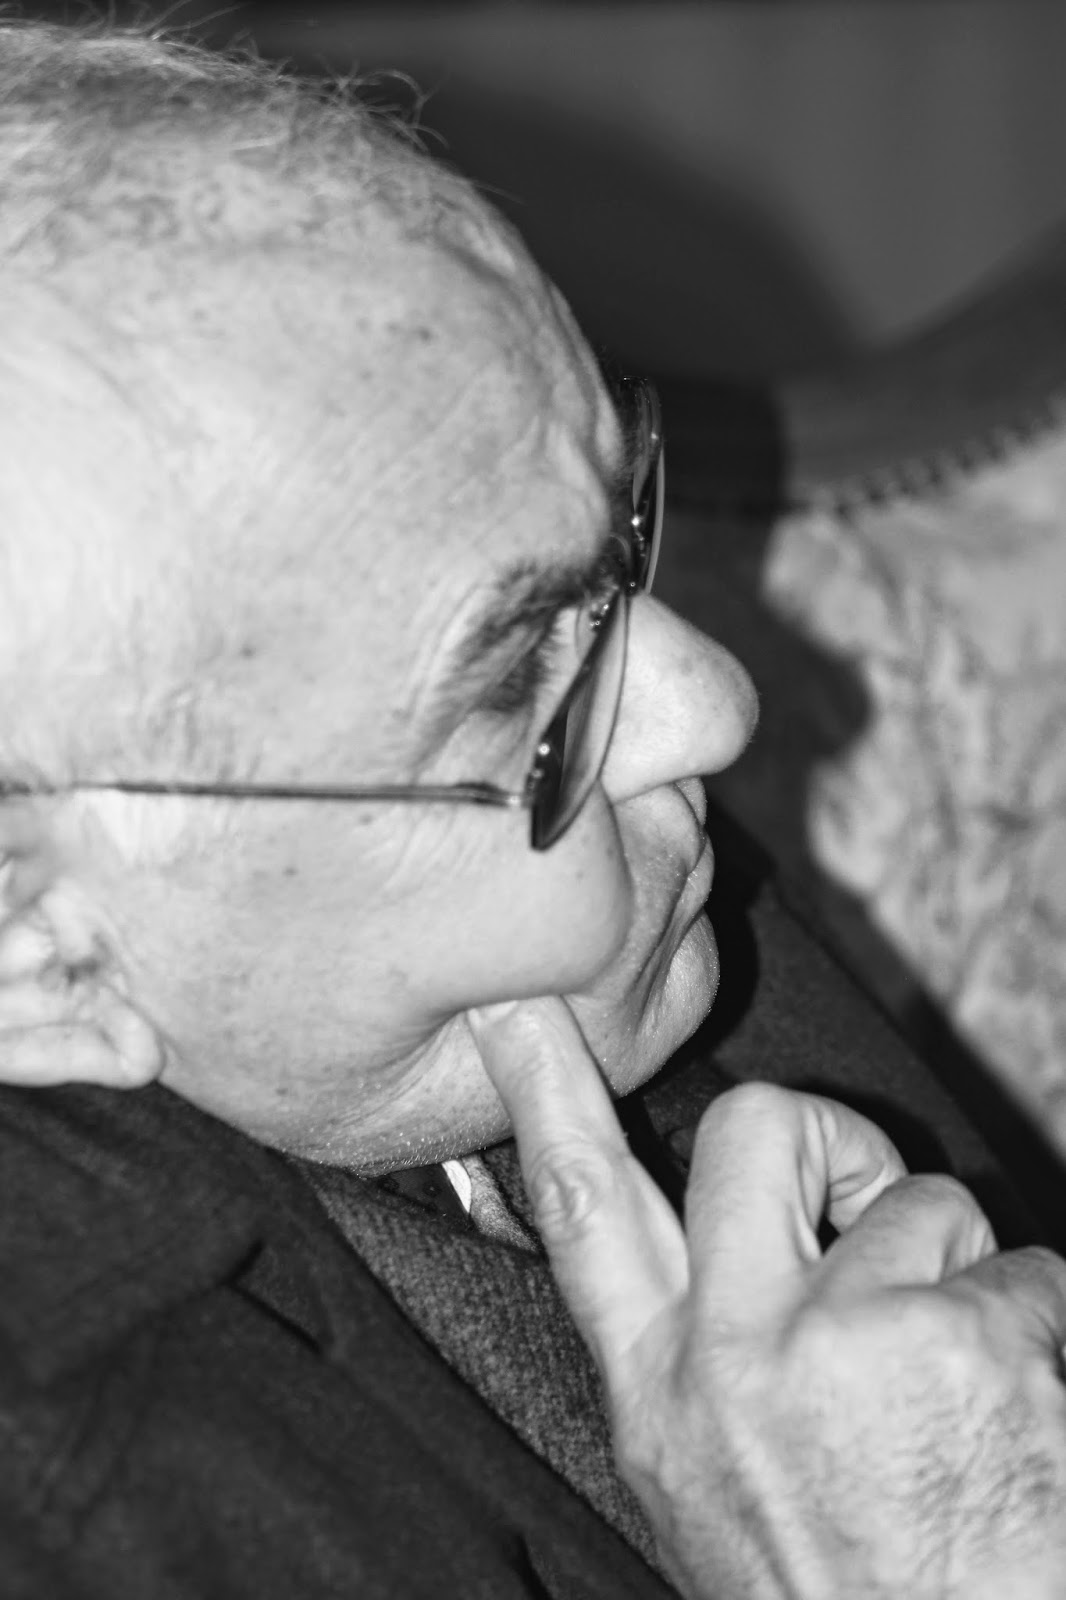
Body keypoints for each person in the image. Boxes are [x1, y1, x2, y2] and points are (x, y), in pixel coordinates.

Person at [0, 17, 1064, 1598]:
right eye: (511, 684)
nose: (710, 705)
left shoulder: (599, 922)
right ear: (34, 955)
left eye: (617, 535)